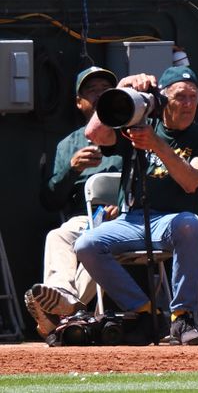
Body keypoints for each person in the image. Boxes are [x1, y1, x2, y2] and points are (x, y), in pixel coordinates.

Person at [75, 66, 198, 346]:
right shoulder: (138, 122)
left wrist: (156, 146)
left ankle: (182, 317)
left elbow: (191, 181)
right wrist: (123, 88)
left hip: (172, 221)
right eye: (180, 96)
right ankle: (145, 312)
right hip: (132, 220)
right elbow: (94, 134)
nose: (188, 104)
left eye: (193, 96)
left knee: (190, 224)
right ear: (163, 99)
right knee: (86, 244)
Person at [24, 67, 123, 338]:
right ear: (80, 103)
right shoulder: (69, 144)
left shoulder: (129, 134)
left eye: (105, 87)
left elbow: (144, 179)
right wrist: (72, 169)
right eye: (92, 90)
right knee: (58, 235)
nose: (100, 93)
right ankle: (64, 301)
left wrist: (123, 205)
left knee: (96, 242)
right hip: (85, 217)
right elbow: (50, 200)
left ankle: (57, 314)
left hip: (125, 217)